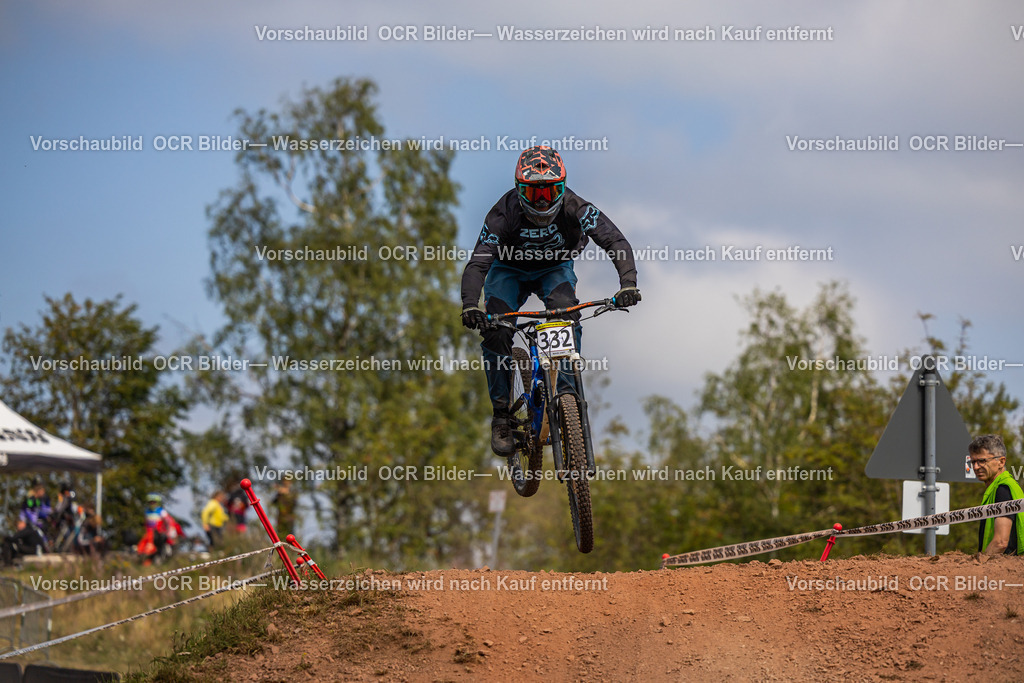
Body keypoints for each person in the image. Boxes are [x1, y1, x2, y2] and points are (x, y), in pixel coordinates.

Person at [460, 146, 640, 455]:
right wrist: (470, 305)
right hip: (508, 269)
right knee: (497, 331)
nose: (543, 200)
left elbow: (615, 240)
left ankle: (567, 396)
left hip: (554, 268)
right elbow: (478, 264)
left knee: (566, 317)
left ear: (563, 187)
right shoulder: (503, 213)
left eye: (550, 191)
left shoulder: (576, 207)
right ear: (519, 191)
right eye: (534, 193)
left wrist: (628, 284)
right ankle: (502, 416)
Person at [969, 434, 1023, 555]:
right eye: (973, 462)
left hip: (1005, 568)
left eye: (982, 461)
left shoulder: (1003, 490)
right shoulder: (1005, 487)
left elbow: (1000, 542)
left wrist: (980, 567)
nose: (976, 467)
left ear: (1001, 461)